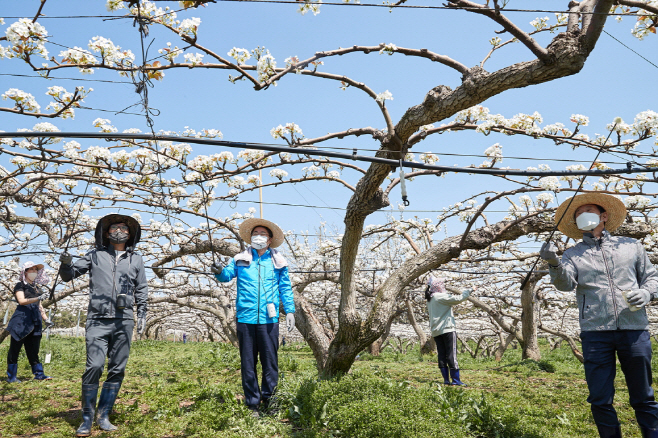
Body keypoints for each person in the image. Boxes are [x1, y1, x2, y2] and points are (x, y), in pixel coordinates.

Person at [540, 193, 658, 438]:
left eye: (589, 210)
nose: (583, 215)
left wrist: (647, 293)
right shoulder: (573, 254)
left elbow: (652, 277)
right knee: (600, 398)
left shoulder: (630, 246)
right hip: (595, 333)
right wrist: (553, 263)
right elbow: (565, 285)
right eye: (578, 213)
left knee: (644, 396)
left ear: (604, 215)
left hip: (634, 328)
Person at [59, 214, 148, 437]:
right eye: (115, 228)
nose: (119, 231)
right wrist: (65, 263)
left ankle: (104, 415)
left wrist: (143, 313)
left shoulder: (136, 259)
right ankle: (87, 419)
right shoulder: (95, 256)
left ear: (130, 234)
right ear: (106, 233)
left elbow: (142, 288)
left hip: (124, 320)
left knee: (117, 368)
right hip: (97, 319)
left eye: (124, 228)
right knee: (95, 366)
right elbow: (68, 276)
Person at [211, 218, 295, 416]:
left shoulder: (278, 261)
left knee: (270, 362)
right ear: (250, 237)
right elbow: (226, 276)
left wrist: (290, 310)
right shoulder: (240, 258)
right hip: (246, 318)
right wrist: (219, 271)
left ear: (270, 239)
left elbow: (285, 287)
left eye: (263, 234)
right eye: (256, 233)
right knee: (248, 363)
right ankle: (252, 404)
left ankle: (270, 400)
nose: (259, 236)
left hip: (269, 319)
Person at [5, 261, 53, 383]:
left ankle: (39, 374)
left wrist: (46, 319)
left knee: (33, 349)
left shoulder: (36, 288)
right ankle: (11, 377)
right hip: (21, 321)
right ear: (25, 272)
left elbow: (39, 306)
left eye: (35, 270)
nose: (33, 272)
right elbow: (21, 300)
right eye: (31, 269)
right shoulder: (20, 285)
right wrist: (37, 298)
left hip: (35, 321)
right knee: (15, 349)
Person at [425, 276, 472, 386]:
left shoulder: (430, 299)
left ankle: (446, 380)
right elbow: (458, 299)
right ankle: (456, 380)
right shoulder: (440, 296)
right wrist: (469, 290)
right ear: (439, 286)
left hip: (436, 331)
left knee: (442, 354)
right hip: (447, 329)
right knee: (451, 355)